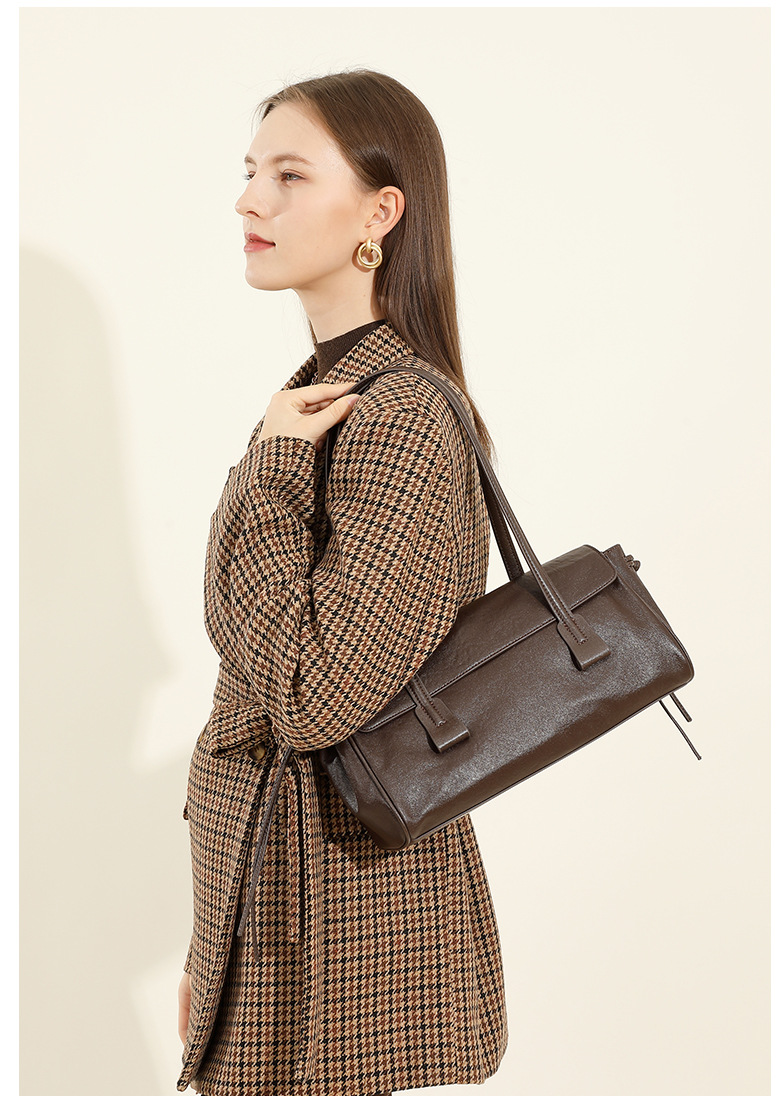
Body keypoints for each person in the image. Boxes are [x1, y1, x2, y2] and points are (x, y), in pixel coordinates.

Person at [176, 68, 508, 1096]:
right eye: (249, 172)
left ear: (379, 213)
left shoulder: (397, 413)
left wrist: (272, 470)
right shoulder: (324, 392)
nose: (249, 200)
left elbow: (312, 695)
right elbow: (260, 647)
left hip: (346, 926)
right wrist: (211, 948)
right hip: (280, 906)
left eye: (289, 175)